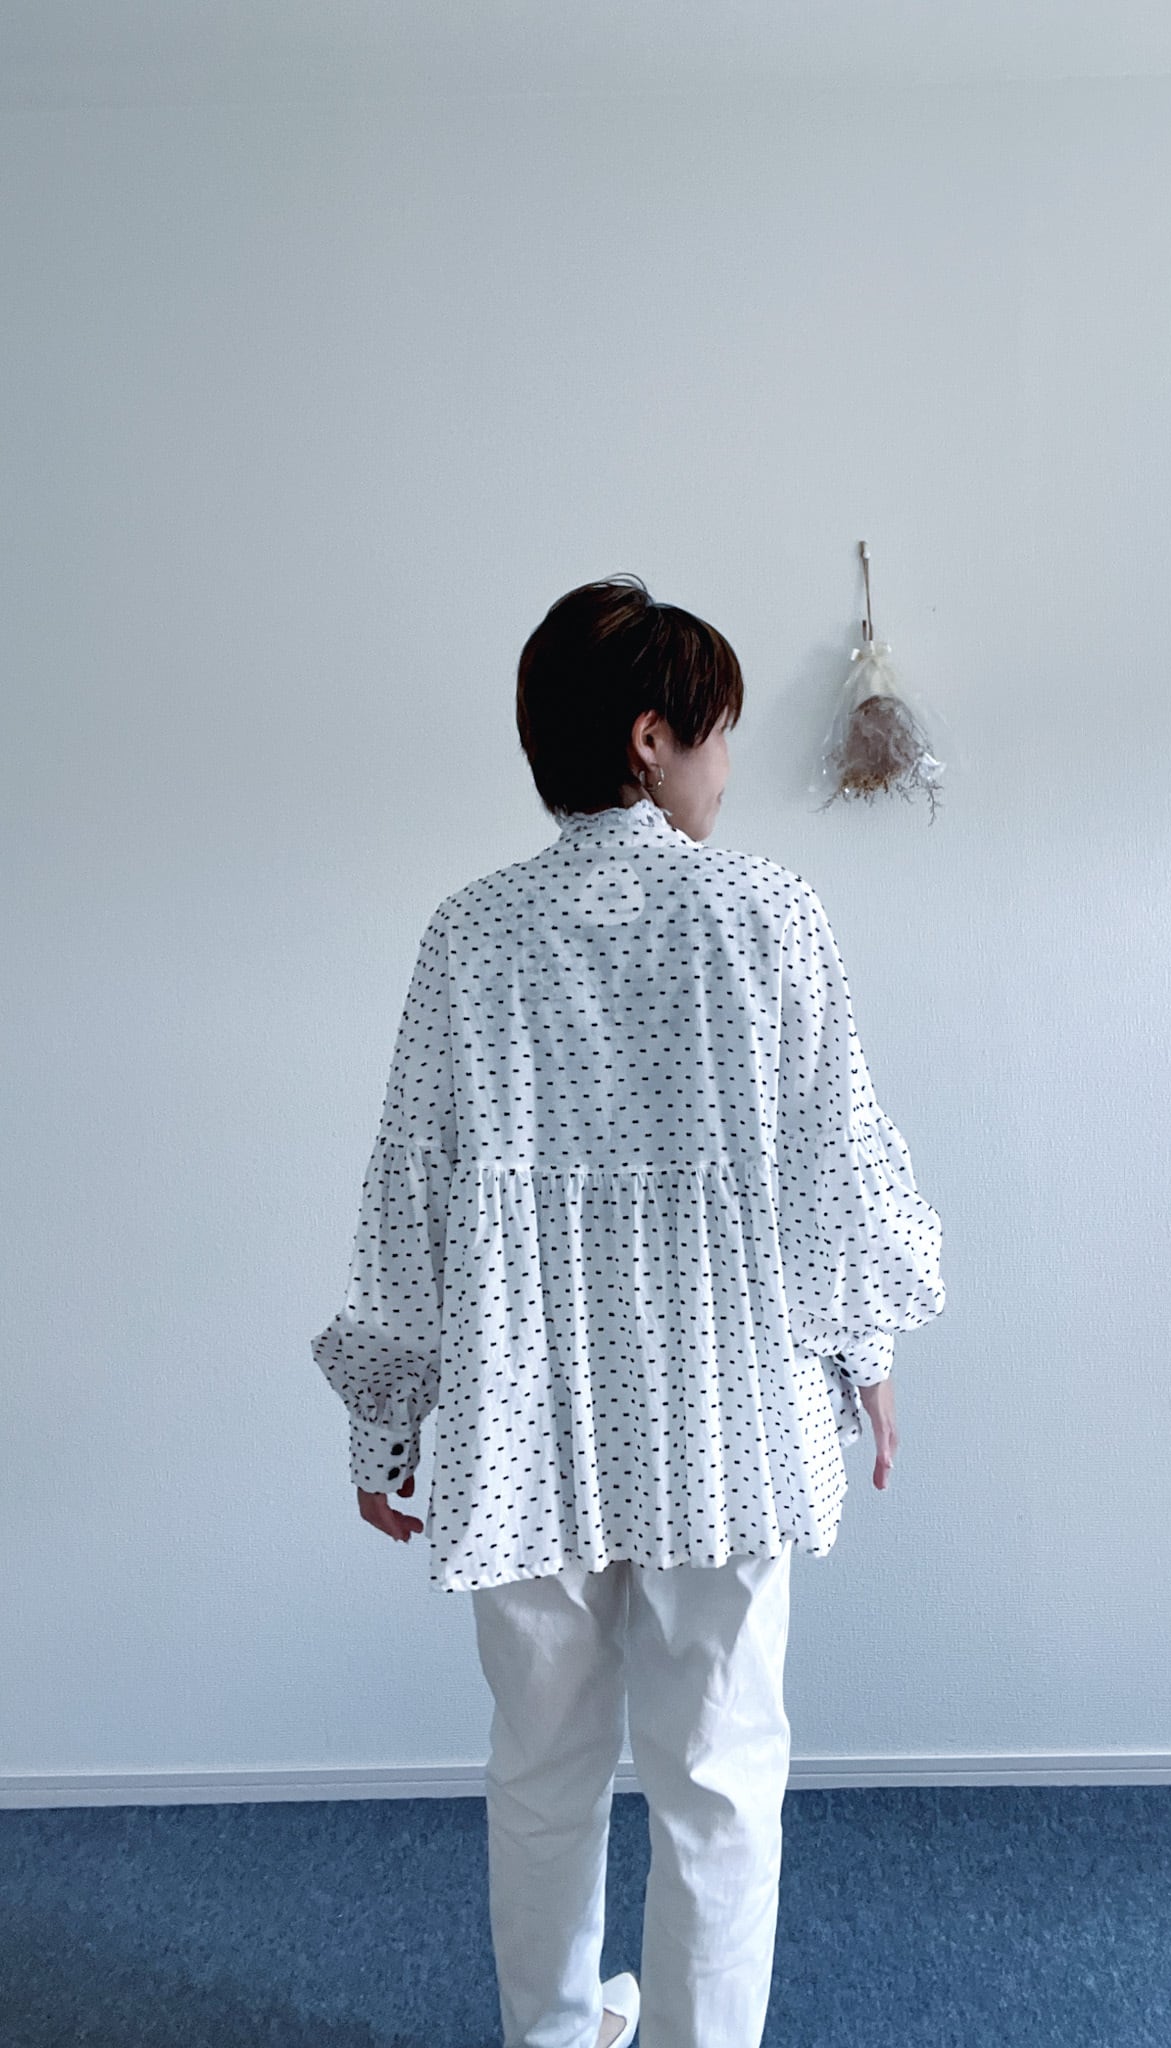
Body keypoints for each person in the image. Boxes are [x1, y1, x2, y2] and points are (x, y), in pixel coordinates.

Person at [311, 574, 947, 2048]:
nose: (728, 763)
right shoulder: (770, 915)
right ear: (651, 738)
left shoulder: (470, 936)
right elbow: (837, 1164)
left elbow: (412, 1190)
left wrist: (385, 1419)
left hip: (525, 1413)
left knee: (542, 1768)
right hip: (725, 1408)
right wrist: (867, 1351)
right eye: (715, 731)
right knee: (718, 1777)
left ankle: (552, 2034)